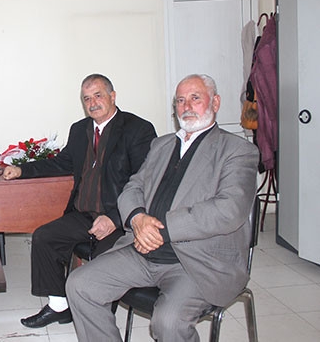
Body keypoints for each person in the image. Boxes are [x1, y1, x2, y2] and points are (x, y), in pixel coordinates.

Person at [66, 74, 260, 342]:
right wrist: (137, 218)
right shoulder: (162, 145)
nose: (186, 106)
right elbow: (133, 187)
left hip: (195, 261)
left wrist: (162, 230)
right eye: (180, 100)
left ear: (215, 102)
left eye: (195, 98)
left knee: (168, 322)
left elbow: (229, 209)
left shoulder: (237, 150)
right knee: (80, 285)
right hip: (142, 250)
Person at [2, 73, 157, 328]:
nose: (93, 103)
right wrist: (22, 170)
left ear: (113, 96)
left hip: (119, 219)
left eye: (98, 95)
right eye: (87, 99)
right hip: (83, 214)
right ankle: (59, 306)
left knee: (104, 266)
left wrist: (114, 218)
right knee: (44, 237)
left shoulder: (137, 129)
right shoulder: (79, 130)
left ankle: (98, 317)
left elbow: (146, 181)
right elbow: (61, 163)